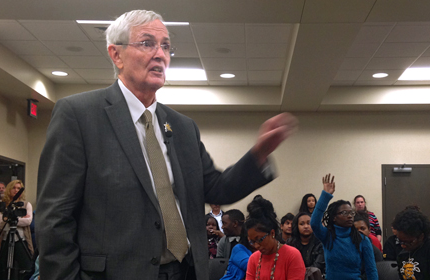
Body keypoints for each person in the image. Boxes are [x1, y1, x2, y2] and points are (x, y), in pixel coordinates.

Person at [36, 9, 298, 280]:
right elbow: (55, 217)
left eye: (166, 46)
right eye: (147, 43)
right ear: (116, 54)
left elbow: (216, 188)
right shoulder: (79, 115)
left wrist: (259, 153)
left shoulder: (182, 127)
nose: (160, 54)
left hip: (184, 271)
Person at [311, 174, 378, 280]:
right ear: (334, 218)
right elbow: (314, 223)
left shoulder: (362, 240)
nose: (350, 216)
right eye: (344, 213)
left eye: (351, 212)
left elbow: (371, 270)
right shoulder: (328, 236)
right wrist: (326, 196)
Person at [245, 197, 305, 280]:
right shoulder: (254, 259)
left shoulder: (292, 255)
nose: (256, 246)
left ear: (272, 233)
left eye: (259, 240)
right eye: (252, 241)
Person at [392, 209, 430, 280]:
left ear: (421, 236)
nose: (403, 245)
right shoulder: (403, 254)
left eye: (409, 242)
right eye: (401, 241)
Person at [0, 180, 34, 279]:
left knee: (27, 267)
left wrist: (9, 219)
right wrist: (19, 219)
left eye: (18, 188)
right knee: (3, 268)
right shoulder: (1, 205)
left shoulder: (26, 205)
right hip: (5, 240)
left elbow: (28, 221)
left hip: (21, 240)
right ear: (9, 189)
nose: (16, 190)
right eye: (14, 188)